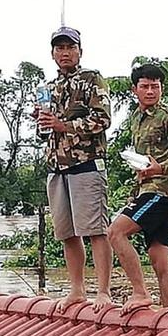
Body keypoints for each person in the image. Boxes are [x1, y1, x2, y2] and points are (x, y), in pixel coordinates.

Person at [37, 26, 113, 312]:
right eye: (59, 48)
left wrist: (64, 125)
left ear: (80, 51)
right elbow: (43, 132)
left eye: (70, 47)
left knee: (95, 230)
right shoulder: (48, 88)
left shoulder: (92, 80)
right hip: (56, 167)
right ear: (53, 53)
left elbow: (102, 120)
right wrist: (43, 121)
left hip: (86, 164)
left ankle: (103, 291)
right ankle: (77, 290)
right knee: (67, 233)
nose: (64, 52)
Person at [107, 64, 168, 314]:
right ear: (135, 90)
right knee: (159, 259)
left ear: (161, 88)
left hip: (163, 191)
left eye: (155, 86)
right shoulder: (135, 118)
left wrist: (160, 168)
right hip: (147, 190)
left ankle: (140, 293)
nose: (151, 91)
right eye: (145, 86)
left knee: (115, 232)